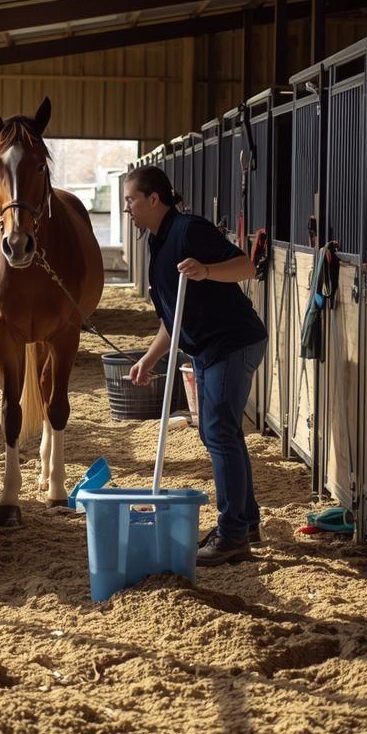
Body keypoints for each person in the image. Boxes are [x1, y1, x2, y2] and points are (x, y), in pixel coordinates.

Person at [124, 165, 267, 566]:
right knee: (217, 432)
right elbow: (174, 317)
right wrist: (149, 359)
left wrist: (206, 271)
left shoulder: (189, 229)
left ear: (154, 199)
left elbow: (246, 267)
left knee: (218, 429)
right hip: (205, 348)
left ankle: (233, 534)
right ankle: (246, 520)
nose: (127, 209)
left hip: (233, 341)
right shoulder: (157, 242)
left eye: (131, 200)